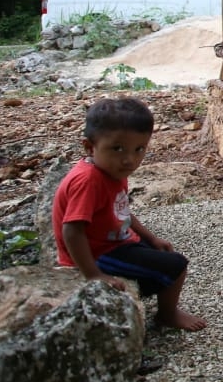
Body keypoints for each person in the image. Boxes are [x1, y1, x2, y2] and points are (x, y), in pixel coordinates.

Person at [52, 97, 207, 331]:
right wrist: (93, 274)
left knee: (158, 250)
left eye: (139, 149)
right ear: (89, 146)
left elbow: (121, 210)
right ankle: (167, 314)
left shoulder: (111, 170)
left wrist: (151, 237)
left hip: (110, 239)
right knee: (176, 265)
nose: (129, 159)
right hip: (97, 253)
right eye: (117, 149)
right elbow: (72, 230)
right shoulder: (88, 181)